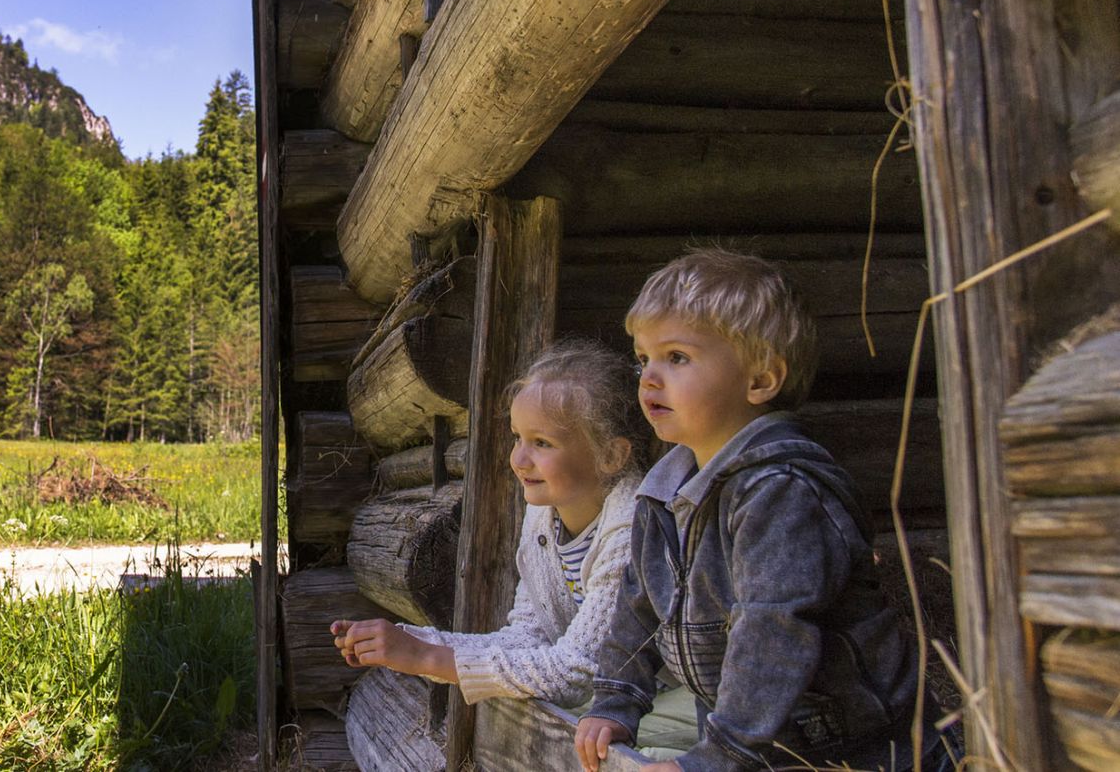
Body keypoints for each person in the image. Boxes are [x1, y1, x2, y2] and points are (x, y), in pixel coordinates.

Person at [576, 247, 953, 772]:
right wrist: (616, 701)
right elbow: (639, 608)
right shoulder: (662, 492)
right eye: (644, 358)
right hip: (762, 749)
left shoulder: (780, 489)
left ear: (761, 381)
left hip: (863, 752)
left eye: (677, 357)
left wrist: (717, 757)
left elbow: (772, 632)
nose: (649, 377)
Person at [331, 338, 676, 717]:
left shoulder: (632, 527)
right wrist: (408, 640)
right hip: (610, 699)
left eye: (541, 443)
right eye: (518, 437)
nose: (519, 460)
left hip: (666, 698)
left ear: (610, 455)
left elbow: (578, 670)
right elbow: (527, 637)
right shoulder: (544, 518)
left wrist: (426, 657)